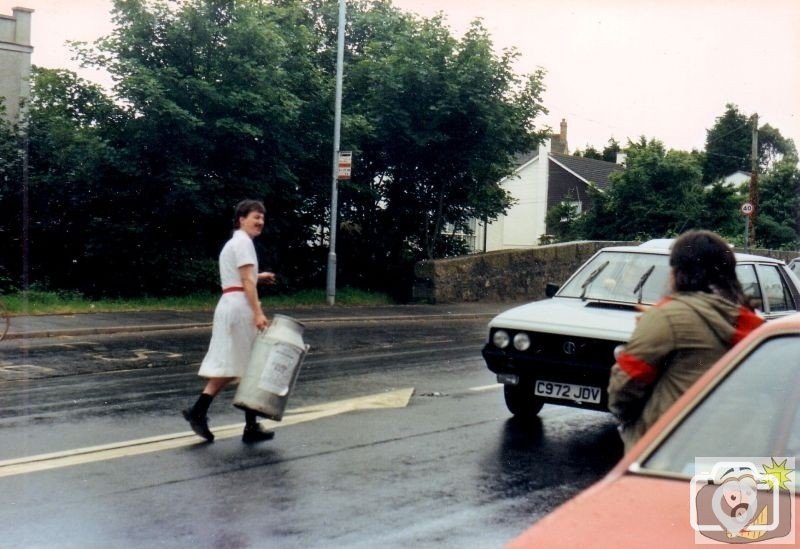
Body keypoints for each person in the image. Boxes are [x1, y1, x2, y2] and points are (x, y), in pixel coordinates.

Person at [607, 230, 764, 452]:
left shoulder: (667, 316)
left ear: (677, 272)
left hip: (672, 454)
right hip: (738, 448)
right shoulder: (751, 320)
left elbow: (624, 387)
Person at [182, 199, 277, 443]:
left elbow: (243, 278)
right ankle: (246, 426)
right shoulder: (244, 243)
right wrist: (258, 313)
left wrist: (259, 276)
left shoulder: (234, 243)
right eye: (256, 217)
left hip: (229, 303)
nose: (260, 222)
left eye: (262, 219)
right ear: (241, 219)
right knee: (250, 365)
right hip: (240, 307)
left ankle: (201, 412)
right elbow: (245, 282)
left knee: (237, 365)